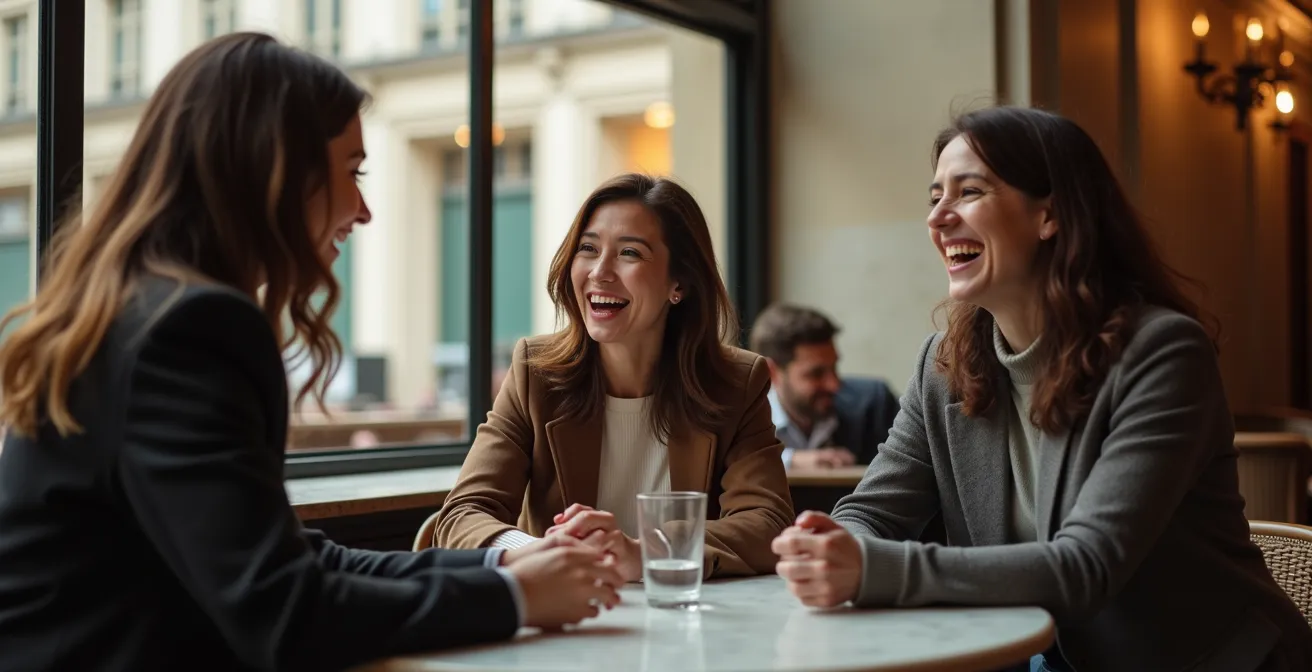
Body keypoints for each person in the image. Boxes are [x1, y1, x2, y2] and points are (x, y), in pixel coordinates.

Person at [0, 33, 622, 672]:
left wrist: (504, 561)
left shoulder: (142, 311)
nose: (364, 209)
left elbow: (294, 559)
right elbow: (286, 611)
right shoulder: (189, 330)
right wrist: (515, 596)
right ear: (275, 172)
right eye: (351, 171)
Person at [772, 106, 1312, 671]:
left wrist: (870, 568)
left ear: (1049, 215)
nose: (938, 218)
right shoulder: (944, 364)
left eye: (969, 192)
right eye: (935, 197)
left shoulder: (1162, 353)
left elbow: (1085, 567)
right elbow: (874, 511)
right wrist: (831, 542)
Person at [433, 173, 794, 582]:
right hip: (563, 616)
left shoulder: (735, 381)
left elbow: (768, 523)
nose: (600, 272)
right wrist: (541, 552)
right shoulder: (536, 373)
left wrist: (644, 553)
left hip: (685, 620)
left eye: (630, 253)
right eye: (588, 249)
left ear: (679, 283)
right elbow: (462, 515)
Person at [749, 302, 899, 469]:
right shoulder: (742, 421)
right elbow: (729, 465)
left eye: (834, 367)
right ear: (771, 373)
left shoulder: (876, 405)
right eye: (816, 374)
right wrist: (790, 460)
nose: (834, 384)